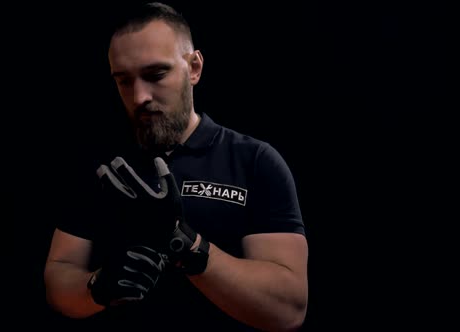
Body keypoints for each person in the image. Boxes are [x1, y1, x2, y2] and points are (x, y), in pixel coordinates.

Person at [44, 2, 308, 331]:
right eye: (124, 81)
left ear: (194, 67)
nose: (139, 96)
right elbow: (58, 275)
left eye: (156, 75)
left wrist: (183, 243)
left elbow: (289, 308)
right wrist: (97, 287)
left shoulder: (253, 161)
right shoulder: (101, 166)